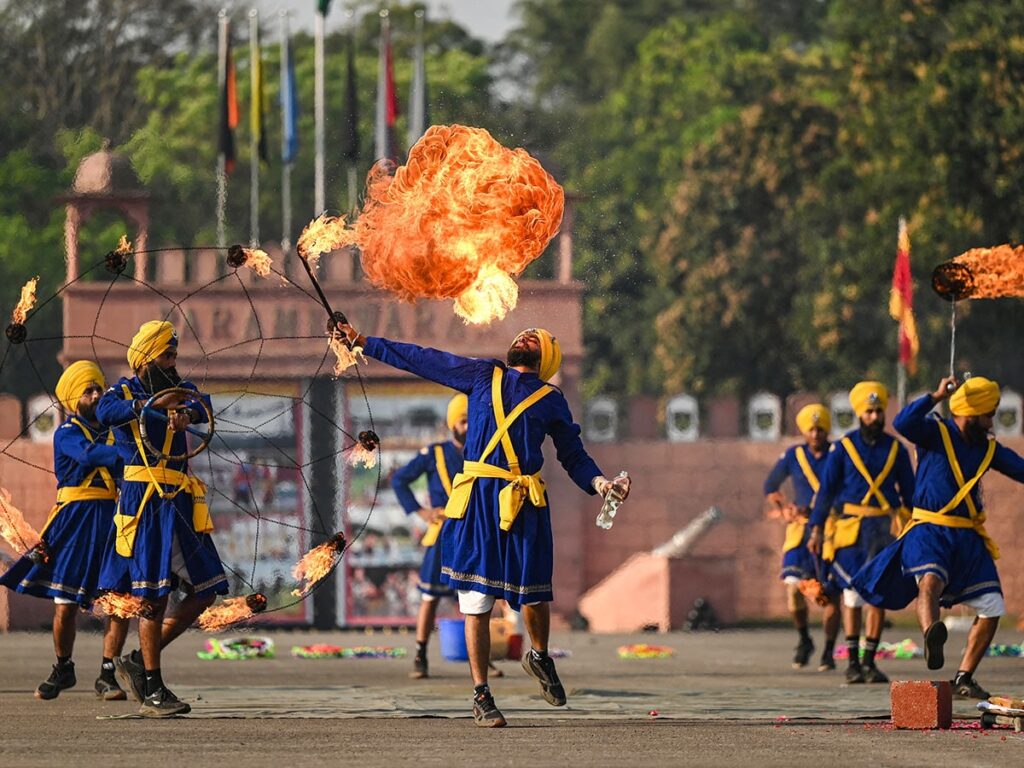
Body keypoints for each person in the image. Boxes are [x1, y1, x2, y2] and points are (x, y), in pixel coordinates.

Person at [335, 323, 631, 728]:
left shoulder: (551, 399)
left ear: (546, 358)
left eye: (534, 338)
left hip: (524, 502)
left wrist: (600, 483)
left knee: (534, 595)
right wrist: (364, 342)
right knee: (475, 601)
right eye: (521, 336)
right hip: (476, 502)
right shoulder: (482, 375)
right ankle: (481, 695)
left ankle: (539, 657)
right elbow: (424, 359)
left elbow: (574, 455)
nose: (523, 338)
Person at [853, 376, 1024, 698]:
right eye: (987, 415)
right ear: (970, 414)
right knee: (929, 582)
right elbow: (904, 421)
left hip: (968, 538)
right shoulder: (935, 433)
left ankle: (964, 677)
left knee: (993, 604)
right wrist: (935, 395)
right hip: (929, 529)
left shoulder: (988, 449)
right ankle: (932, 634)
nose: (991, 422)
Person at [97, 320, 228, 717]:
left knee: (205, 589)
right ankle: (153, 689)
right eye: (166, 356)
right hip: (144, 502)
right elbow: (107, 412)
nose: (172, 362)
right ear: (145, 361)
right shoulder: (121, 392)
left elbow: (203, 405)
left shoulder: (181, 391)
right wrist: (149, 407)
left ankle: (137, 661)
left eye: (174, 355)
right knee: (151, 597)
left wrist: (183, 411)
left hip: (181, 500)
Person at [0, 361, 128, 700]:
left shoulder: (116, 432)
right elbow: (92, 457)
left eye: (99, 389)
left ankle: (108, 673)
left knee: (119, 601)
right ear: (74, 400)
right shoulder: (68, 433)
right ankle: (63, 667)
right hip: (73, 522)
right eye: (88, 391)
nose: (96, 395)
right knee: (65, 602)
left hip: (113, 520)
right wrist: (128, 452)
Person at [807, 381, 914, 684]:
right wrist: (816, 528)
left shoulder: (896, 448)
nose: (875, 416)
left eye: (879, 410)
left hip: (885, 530)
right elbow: (826, 492)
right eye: (869, 411)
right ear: (859, 414)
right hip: (852, 532)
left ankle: (870, 661)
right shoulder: (843, 448)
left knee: (878, 596)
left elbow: (910, 492)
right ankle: (852, 662)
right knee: (852, 597)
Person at [391, 393, 468, 679]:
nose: (469, 427)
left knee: (476, 599)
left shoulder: (484, 454)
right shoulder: (435, 453)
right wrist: (420, 512)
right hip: (442, 534)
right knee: (430, 597)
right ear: (452, 424)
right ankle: (420, 656)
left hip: (471, 534)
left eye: (473, 421)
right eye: (463, 421)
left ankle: (481, 659)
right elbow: (399, 480)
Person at [763, 403, 840, 671]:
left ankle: (829, 651)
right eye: (811, 429)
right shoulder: (794, 455)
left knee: (832, 593)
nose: (816, 434)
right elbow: (770, 485)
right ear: (804, 431)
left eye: (821, 429)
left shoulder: (838, 453)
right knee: (793, 587)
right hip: (801, 529)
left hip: (832, 528)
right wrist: (783, 508)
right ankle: (804, 639)